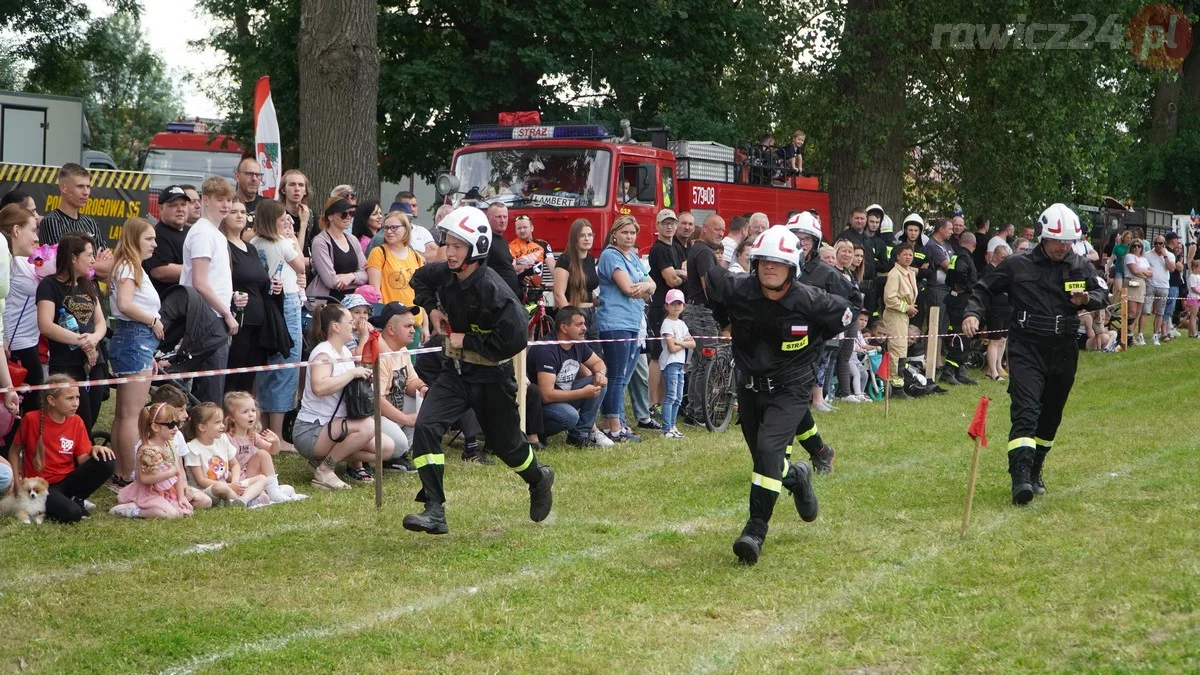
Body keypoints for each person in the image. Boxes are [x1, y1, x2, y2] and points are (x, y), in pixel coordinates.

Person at [705, 225, 853, 564]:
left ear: (792, 268)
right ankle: (797, 478)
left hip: (792, 388)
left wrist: (815, 340)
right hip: (750, 387)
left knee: (770, 450)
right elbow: (713, 284)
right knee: (765, 460)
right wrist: (724, 321)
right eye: (763, 261)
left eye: (777, 262)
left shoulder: (812, 300)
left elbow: (846, 312)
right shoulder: (736, 288)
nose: (769, 267)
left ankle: (755, 530)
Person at [405, 205, 556, 534]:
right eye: (448, 244)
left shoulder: (495, 291)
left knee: (507, 447)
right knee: (427, 426)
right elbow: (419, 279)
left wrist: (468, 339)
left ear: (477, 248)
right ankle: (434, 509)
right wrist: (432, 310)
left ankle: (538, 477)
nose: (450, 252)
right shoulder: (444, 272)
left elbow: (514, 340)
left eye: (458, 246)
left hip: (493, 378)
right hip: (455, 372)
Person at [963, 204, 1109, 506]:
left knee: (1051, 413)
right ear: (1043, 236)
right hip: (1027, 345)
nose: (1063, 247)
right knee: (1026, 409)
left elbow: (1102, 293)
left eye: (1068, 241)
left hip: (1064, 347)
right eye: (1058, 241)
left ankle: (1037, 466)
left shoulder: (1079, 265)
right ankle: (1020, 477)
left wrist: (1088, 299)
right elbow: (983, 288)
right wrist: (973, 314)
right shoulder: (1018, 264)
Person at [291, 304, 396, 490]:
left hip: (333, 426)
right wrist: (351, 374)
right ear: (335, 327)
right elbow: (319, 387)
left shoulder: (344, 351)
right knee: (368, 427)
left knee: (386, 448)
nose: (354, 324)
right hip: (311, 429)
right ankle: (325, 469)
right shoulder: (323, 352)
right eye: (349, 321)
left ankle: (322, 460)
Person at [10, 374, 115, 523]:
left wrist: (95, 450)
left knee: (107, 460)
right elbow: (14, 451)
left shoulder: (77, 421)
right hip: (43, 486)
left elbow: (83, 459)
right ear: (51, 400)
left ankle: (77, 498)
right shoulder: (31, 419)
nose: (76, 403)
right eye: (70, 398)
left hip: (67, 480)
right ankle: (46, 504)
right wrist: (16, 482)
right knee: (73, 514)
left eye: (77, 397)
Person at [108, 217, 164, 490]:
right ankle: (128, 475)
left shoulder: (127, 266)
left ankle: (121, 473)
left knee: (123, 413)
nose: (154, 244)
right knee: (132, 414)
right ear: (134, 240)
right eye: (149, 239)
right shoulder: (130, 267)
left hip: (133, 341)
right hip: (135, 338)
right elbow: (125, 304)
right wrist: (153, 321)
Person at [36, 232, 108, 434]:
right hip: (67, 363)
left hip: (94, 360)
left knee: (92, 416)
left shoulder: (90, 285)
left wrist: (93, 339)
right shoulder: (49, 285)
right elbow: (46, 325)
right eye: (89, 254)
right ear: (73, 257)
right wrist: (80, 341)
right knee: (78, 418)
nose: (93, 260)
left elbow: (100, 322)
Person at [595, 215, 655, 442]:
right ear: (614, 234)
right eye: (625, 233)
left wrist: (646, 285)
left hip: (632, 322)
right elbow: (628, 288)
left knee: (622, 377)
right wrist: (645, 286)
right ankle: (613, 426)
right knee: (617, 376)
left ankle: (615, 422)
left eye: (632, 233)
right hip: (614, 323)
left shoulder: (633, 257)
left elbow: (653, 284)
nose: (629, 237)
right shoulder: (610, 255)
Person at [251, 200, 306, 447]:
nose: (286, 221)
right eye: (283, 218)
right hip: (288, 302)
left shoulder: (253, 243)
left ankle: (260, 428)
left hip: (265, 304)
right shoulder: (283, 243)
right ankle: (277, 435)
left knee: (266, 365)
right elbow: (301, 266)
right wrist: (293, 237)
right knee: (287, 364)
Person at [181, 176, 240, 404]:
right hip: (206, 318)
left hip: (214, 315)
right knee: (209, 391)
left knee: (214, 386)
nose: (225, 205)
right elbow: (200, 281)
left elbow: (213, 279)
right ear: (205, 199)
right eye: (220, 200)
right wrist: (226, 312)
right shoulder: (203, 233)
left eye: (228, 200)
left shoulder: (215, 233)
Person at [222, 201, 281, 393]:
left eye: (243, 212)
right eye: (234, 212)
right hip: (237, 322)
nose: (240, 216)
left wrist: (274, 285)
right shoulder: (223, 245)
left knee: (248, 380)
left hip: (259, 322)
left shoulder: (251, 248)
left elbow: (261, 279)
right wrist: (231, 296)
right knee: (232, 379)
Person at [528, 306, 608, 447]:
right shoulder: (546, 349)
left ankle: (579, 435)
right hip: (541, 407)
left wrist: (600, 374)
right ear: (564, 328)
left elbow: (598, 362)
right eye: (579, 324)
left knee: (600, 383)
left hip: (564, 395)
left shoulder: (578, 343)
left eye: (584, 323)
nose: (584, 328)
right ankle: (538, 432)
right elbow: (546, 395)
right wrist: (582, 393)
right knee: (569, 416)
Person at [369, 301, 427, 472]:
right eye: (408, 326)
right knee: (399, 444)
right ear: (391, 329)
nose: (413, 330)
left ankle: (395, 458)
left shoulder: (402, 349)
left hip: (391, 405)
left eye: (414, 325)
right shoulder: (379, 352)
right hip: (371, 414)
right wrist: (406, 419)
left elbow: (411, 382)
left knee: (424, 404)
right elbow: (375, 400)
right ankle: (392, 454)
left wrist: (424, 389)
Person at [114, 403, 194, 519]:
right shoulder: (146, 449)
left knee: (185, 511)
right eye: (171, 424)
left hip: (166, 491)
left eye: (176, 423)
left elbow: (178, 474)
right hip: (148, 492)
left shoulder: (170, 445)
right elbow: (144, 478)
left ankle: (164, 505)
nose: (176, 428)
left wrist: (181, 497)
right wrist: (169, 473)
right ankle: (133, 510)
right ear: (155, 427)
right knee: (170, 515)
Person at [1, 204, 43, 420]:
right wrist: (5, 338)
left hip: (23, 342)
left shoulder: (18, 258)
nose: (36, 238)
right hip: (13, 345)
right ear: (16, 230)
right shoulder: (6, 260)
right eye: (33, 230)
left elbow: (46, 264)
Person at [222, 391, 302, 503]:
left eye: (253, 410)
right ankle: (267, 493)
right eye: (245, 411)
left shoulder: (252, 435)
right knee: (281, 490)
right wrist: (232, 480)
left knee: (263, 454)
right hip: (234, 478)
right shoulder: (227, 438)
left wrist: (275, 442)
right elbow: (224, 465)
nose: (251, 414)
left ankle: (273, 491)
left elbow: (273, 451)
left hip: (251, 475)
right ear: (232, 417)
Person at [184, 402, 269, 507]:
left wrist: (235, 482)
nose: (223, 426)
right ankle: (243, 499)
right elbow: (201, 481)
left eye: (222, 422)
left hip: (229, 485)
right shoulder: (193, 448)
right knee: (220, 487)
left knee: (262, 478)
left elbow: (235, 465)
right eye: (217, 422)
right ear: (202, 427)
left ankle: (243, 500)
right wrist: (230, 486)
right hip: (208, 490)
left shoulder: (222, 439)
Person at [37, 164, 113, 279]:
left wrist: (82, 264)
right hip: (66, 293)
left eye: (88, 186)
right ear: (64, 188)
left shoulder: (90, 222)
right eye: (80, 186)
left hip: (92, 293)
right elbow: (63, 266)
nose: (86, 192)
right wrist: (96, 266)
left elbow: (109, 269)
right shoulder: (52, 221)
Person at [366, 211, 426, 347]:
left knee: (410, 365)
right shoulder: (379, 252)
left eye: (394, 227)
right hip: (392, 324)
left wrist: (425, 326)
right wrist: (383, 322)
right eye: (386, 228)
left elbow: (422, 294)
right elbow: (375, 291)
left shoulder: (416, 256)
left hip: (415, 322)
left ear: (406, 228)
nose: (389, 232)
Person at [647, 209, 685, 418]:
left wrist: (679, 273)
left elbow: (682, 273)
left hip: (674, 308)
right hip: (659, 306)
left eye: (672, 223)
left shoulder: (678, 248)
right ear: (657, 226)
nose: (669, 227)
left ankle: (665, 401)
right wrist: (679, 273)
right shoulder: (659, 249)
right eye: (665, 223)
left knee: (670, 353)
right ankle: (653, 402)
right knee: (657, 354)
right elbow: (672, 280)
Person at [552, 218, 602, 352]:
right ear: (575, 238)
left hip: (592, 314)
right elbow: (558, 294)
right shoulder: (565, 259)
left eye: (590, 235)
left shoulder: (591, 259)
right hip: (574, 312)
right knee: (579, 358)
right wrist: (570, 318)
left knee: (596, 355)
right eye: (582, 235)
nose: (587, 239)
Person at [308, 197, 366, 302]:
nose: (348, 217)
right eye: (344, 214)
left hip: (355, 298)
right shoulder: (320, 242)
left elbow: (365, 273)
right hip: (330, 300)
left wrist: (351, 276)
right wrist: (357, 279)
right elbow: (331, 281)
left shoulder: (352, 239)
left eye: (351, 214)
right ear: (330, 216)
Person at [941, 231, 979, 386]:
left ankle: (960, 370)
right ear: (974, 245)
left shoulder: (956, 255)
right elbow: (959, 272)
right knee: (961, 335)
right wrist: (965, 286)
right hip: (960, 300)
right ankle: (948, 370)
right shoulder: (964, 257)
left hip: (955, 298)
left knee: (962, 334)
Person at [145, 185, 192, 296]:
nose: (180, 209)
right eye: (174, 205)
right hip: (167, 304)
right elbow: (159, 271)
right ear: (161, 209)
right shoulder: (156, 234)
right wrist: (199, 268)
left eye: (183, 205)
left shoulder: (192, 232)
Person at [658, 289, 694, 438]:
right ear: (667, 306)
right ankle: (667, 428)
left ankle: (672, 426)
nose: (676, 306)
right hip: (670, 363)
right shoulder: (667, 324)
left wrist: (679, 342)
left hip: (680, 364)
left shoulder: (682, 324)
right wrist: (683, 343)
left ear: (684, 306)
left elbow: (693, 343)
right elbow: (671, 348)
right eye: (673, 303)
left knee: (678, 397)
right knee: (671, 396)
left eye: (679, 303)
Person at [983, 244, 1012, 381]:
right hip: (994, 309)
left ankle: (999, 366)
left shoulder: (1006, 271)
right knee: (994, 341)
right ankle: (992, 371)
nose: (1005, 260)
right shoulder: (988, 270)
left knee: (1003, 339)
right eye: (1002, 257)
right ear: (995, 256)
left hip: (1007, 307)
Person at [1143, 234, 1175, 345]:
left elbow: (1171, 269)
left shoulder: (1170, 255)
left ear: (1164, 244)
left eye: (1160, 243)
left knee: (1160, 313)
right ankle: (1141, 335)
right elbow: (1143, 268)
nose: (1158, 245)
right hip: (1150, 285)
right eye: (1156, 243)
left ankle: (1155, 335)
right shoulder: (1147, 254)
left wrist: (1165, 256)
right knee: (1145, 311)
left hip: (1164, 286)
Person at [484, 202, 521, 295]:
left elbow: (504, 266)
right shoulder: (486, 240)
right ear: (488, 218)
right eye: (498, 217)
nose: (503, 220)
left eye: (505, 217)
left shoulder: (503, 240)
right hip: (497, 297)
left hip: (511, 296)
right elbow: (481, 270)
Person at [1123, 240, 1151, 345]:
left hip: (1141, 283)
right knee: (1132, 311)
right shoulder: (1129, 256)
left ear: (1142, 248)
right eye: (1134, 246)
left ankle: (1131, 334)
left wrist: (1141, 272)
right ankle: (1128, 336)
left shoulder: (1144, 259)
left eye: (1139, 246)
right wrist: (1144, 274)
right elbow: (1134, 270)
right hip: (1131, 282)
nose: (1136, 248)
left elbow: (1151, 272)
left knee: (1138, 311)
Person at [234, 157, 263, 229]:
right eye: (249, 174)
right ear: (237, 176)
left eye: (258, 175)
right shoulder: (228, 204)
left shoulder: (267, 205)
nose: (254, 179)